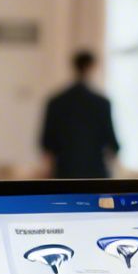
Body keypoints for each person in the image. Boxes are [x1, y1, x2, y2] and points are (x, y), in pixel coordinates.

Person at [39, 49, 120, 179]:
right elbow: (113, 143)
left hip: (64, 175)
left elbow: (46, 143)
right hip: (96, 175)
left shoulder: (55, 102)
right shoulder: (102, 103)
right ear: (92, 67)